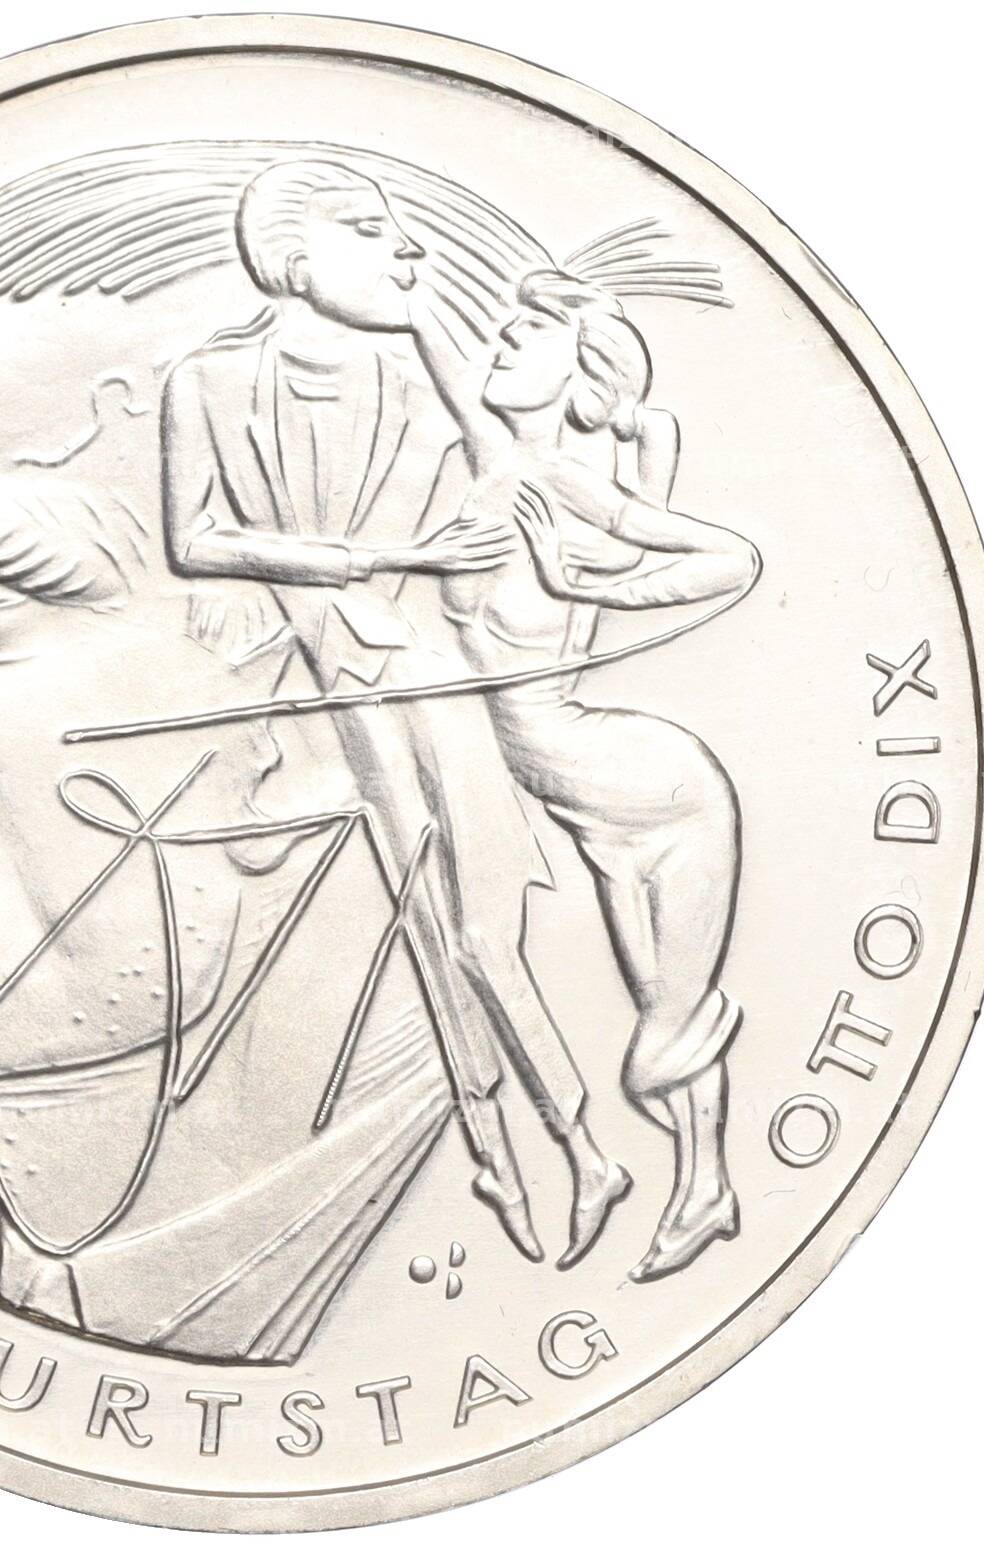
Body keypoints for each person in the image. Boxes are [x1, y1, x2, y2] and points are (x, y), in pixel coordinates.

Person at [162, 160, 630, 1267]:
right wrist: (380, 556)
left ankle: (578, 1147)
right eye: (370, 229)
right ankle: (502, 1155)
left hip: (421, 673)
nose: (407, 250)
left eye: (402, 232)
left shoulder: (418, 383)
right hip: (324, 685)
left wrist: (424, 326)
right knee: (422, 925)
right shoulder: (206, 381)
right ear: (291, 257)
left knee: (477, 927)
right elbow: (194, 542)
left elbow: (503, 471)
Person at [416, 267, 761, 1279]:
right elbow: (443, 362)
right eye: (506, 322)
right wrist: (409, 298)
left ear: (582, 373)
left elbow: (733, 560)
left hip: (659, 790)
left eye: (531, 330)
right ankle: (706, 1190)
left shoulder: (569, 487)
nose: (503, 337)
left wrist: (583, 580)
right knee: (661, 1005)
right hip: (586, 802)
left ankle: (702, 1185)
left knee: (663, 1036)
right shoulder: (484, 465)